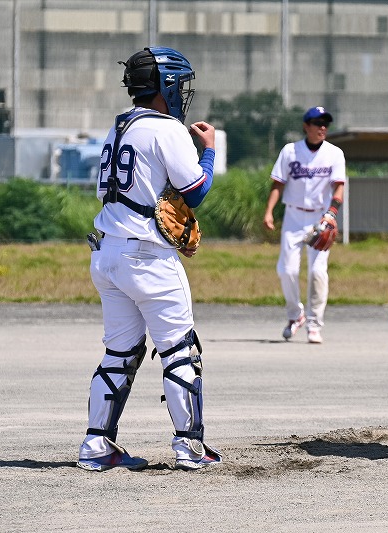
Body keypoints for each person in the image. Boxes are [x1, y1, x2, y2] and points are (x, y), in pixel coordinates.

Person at [77, 47, 222, 472]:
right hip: (147, 257)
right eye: (180, 84)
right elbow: (196, 191)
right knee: (180, 349)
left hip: (107, 252)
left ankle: (96, 445)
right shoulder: (166, 128)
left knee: (120, 352)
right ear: (166, 86)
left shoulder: (118, 126)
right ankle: (190, 447)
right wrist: (209, 150)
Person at [263, 106, 347, 344]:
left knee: (317, 272)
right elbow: (278, 184)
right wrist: (268, 212)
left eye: (325, 123)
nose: (322, 127)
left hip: (320, 218)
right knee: (287, 270)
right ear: (306, 126)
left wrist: (331, 214)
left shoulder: (334, 153)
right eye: (317, 123)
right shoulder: (290, 151)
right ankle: (295, 315)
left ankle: (314, 324)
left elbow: (338, 188)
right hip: (293, 216)